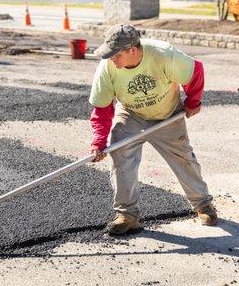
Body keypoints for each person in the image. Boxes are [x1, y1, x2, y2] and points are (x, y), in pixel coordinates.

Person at [89, 24, 217, 235]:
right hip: (131, 114)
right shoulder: (107, 68)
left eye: (116, 55)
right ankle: (127, 215)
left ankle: (203, 204)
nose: (112, 59)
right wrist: (98, 141)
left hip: (167, 115)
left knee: (183, 157)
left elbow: (196, 72)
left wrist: (193, 102)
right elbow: (102, 109)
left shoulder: (164, 55)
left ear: (132, 50)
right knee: (121, 154)